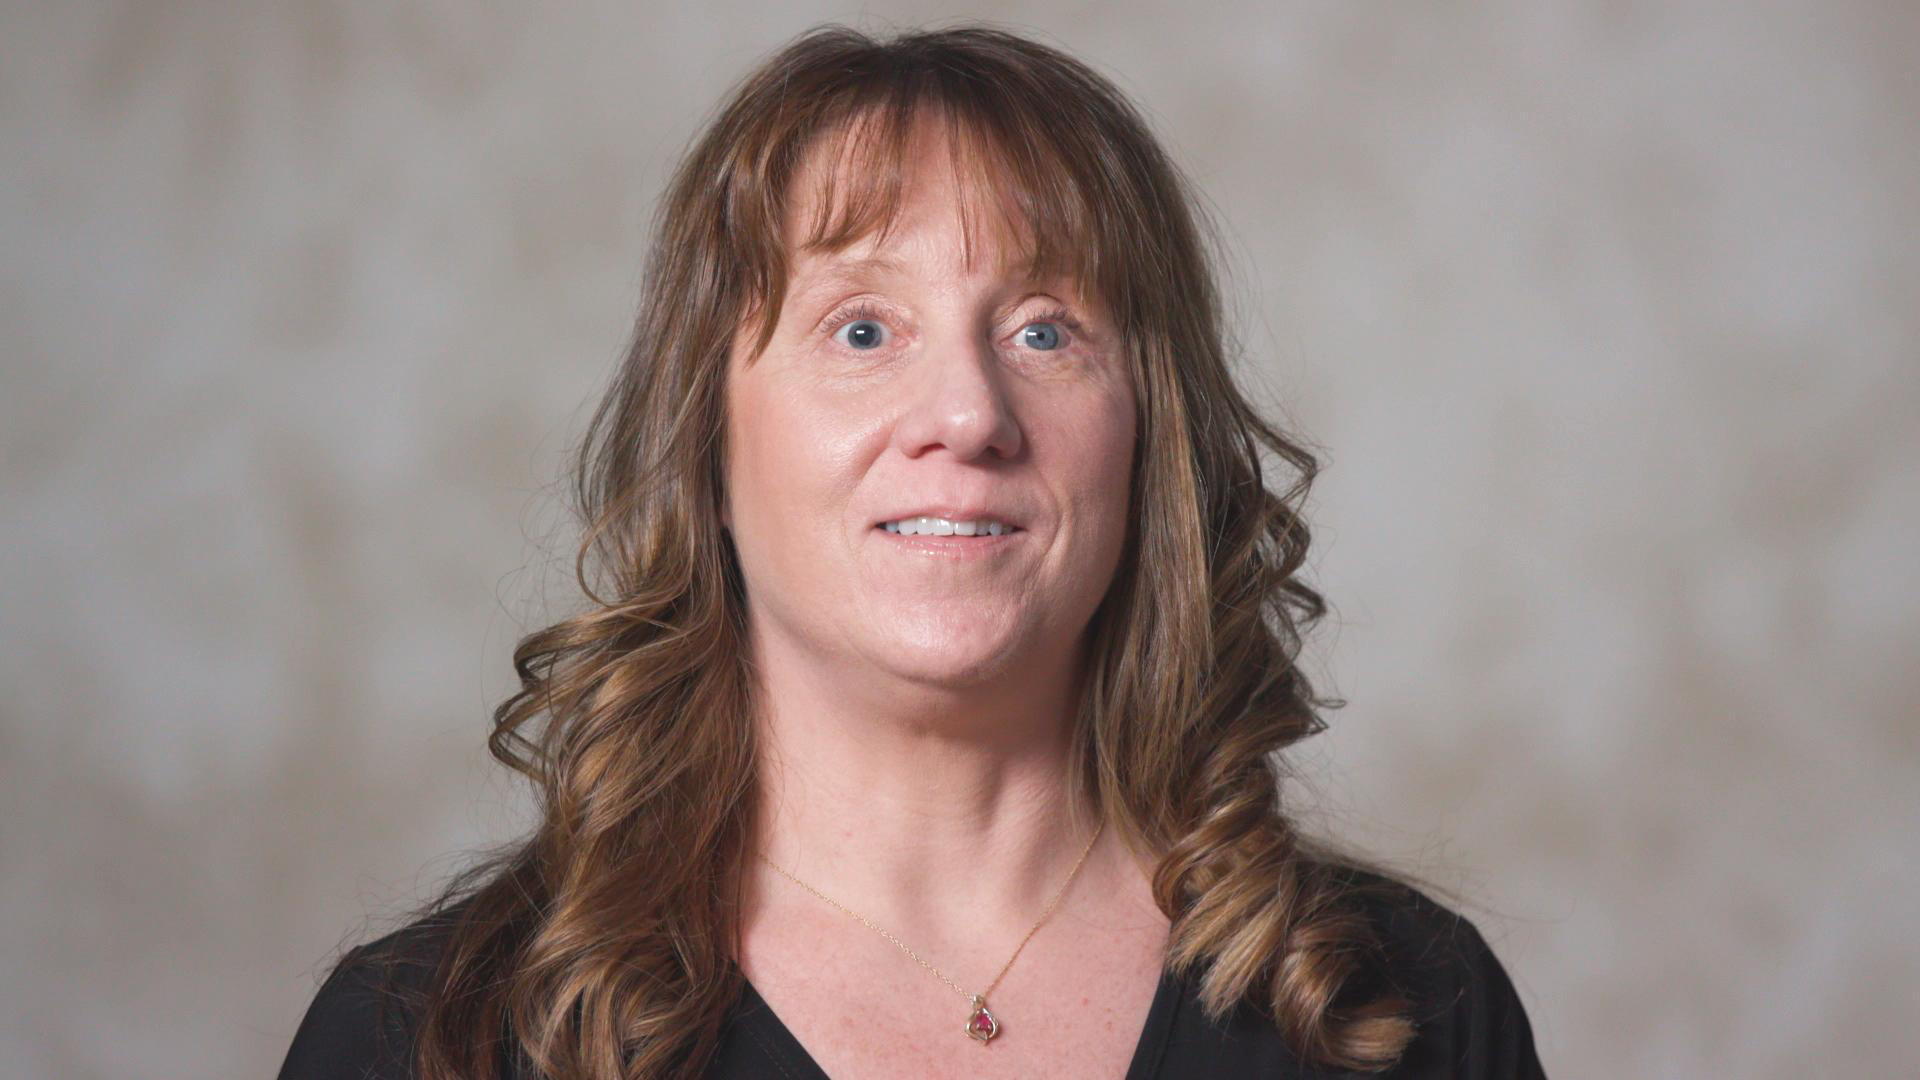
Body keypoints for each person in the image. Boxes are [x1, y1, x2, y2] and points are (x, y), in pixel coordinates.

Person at [278, 22, 1546, 1080]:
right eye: (864, 330)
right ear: (709, 444)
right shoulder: (435, 1038)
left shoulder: (1408, 1012)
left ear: (1149, 441)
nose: (969, 417)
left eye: (1047, 332)